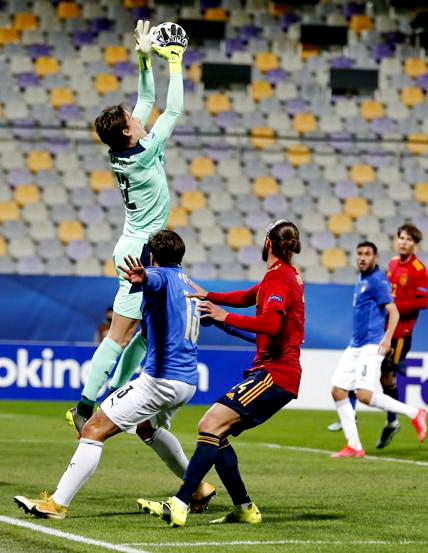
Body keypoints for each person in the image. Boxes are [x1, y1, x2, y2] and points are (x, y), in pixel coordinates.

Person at [14, 230, 216, 519]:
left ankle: (56, 504)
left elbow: (155, 279)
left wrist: (143, 278)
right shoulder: (190, 287)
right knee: (147, 429)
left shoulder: (160, 278)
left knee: (93, 428)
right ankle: (196, 488)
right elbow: (152, 331)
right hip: (187, 382)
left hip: (159, 381)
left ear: (152, 257)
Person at [137, 219, 305, 528]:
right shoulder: (283, 275)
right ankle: (244, 507)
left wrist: (223, 315)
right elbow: (246, 296)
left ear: (267, 242)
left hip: (275, 373)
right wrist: (210, 297)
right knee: (217, 433)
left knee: (210, 423)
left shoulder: (279, 278)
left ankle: (180, 502)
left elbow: (271, 324)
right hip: (273, 372)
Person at [66, 21, 186, 433]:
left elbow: (146, 96)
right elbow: (171, 109)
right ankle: (84, 405)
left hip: (137, 244)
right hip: (140, 252)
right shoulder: (144, 152)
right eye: (130, 117)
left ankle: (119, 390)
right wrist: (175, 60)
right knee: (120, 334)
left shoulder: (128, 146)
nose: (136, 116)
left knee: (145, 331)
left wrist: (142, 58)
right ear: (126, 130)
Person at [330, 241, 426, 458]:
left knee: (364, 395)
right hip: (355, 345)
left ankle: (415, 413)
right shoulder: (362, 277)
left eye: (367, 254)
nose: (363, 257)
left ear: (375, 258)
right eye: (360, 253)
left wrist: (387, 339)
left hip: (371, 345)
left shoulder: (377, 280)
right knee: (338, 390)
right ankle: (354, 446)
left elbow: (394, 312)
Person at [376, 223, 428, 448]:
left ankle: (393, 420)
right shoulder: (393, 263)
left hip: (401, 332)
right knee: (381, 378)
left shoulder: (419, 270)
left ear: (415, 244)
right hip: (385, 328)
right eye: (401, 238)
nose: (404, 242)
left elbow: (425, 300)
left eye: (408, 239)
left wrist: (397, 306)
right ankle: (392, 420)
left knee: (386, 377)